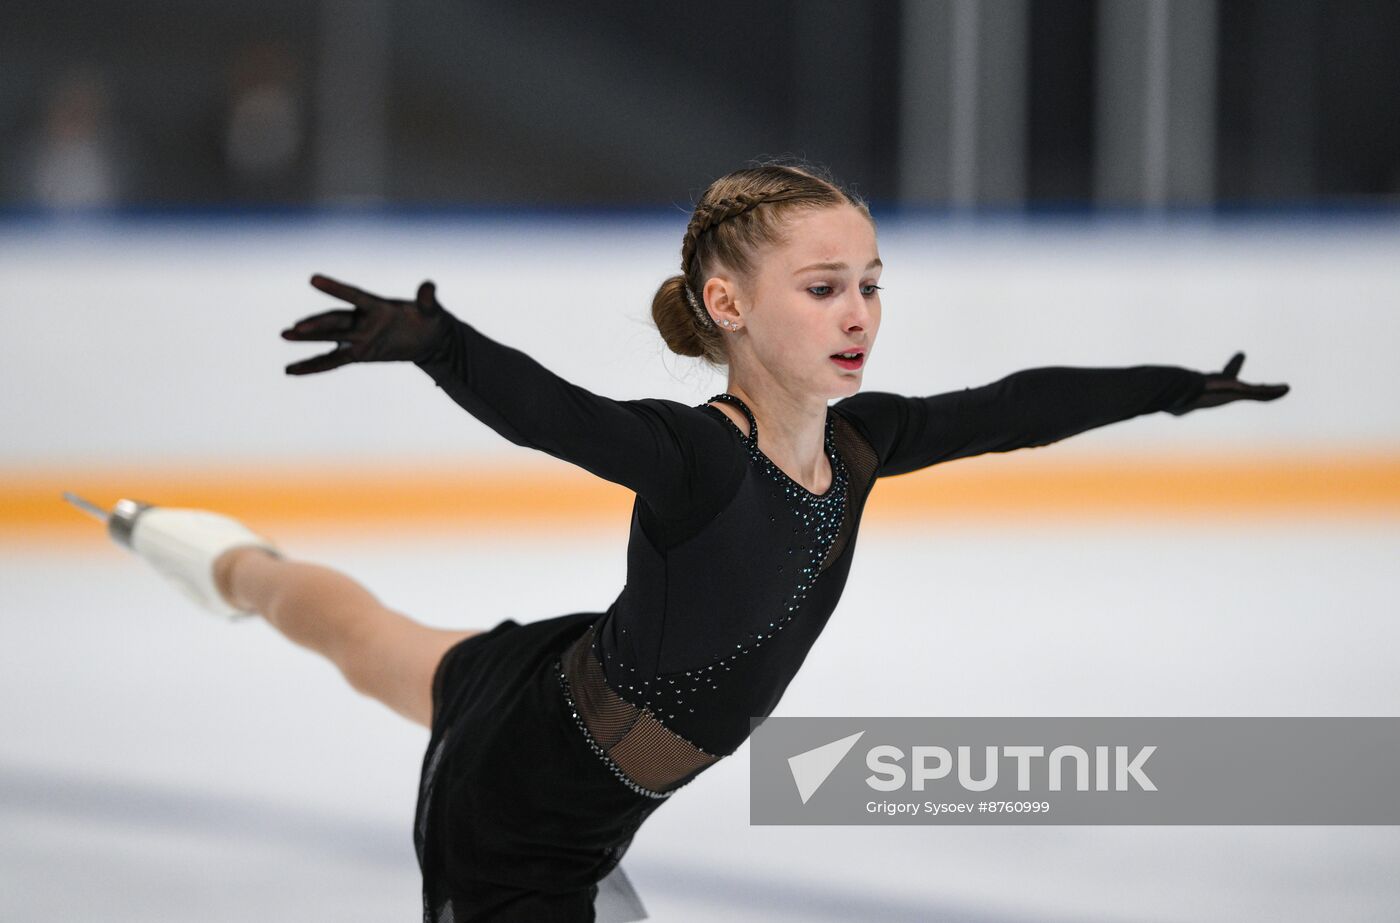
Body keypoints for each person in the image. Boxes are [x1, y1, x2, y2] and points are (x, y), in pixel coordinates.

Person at [134, 160, 1289, 921]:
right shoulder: (697, 457)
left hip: (554, 677)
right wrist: (444, 344)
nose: (858, 315)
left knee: (358, 630)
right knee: (362, 639)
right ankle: (224, 561)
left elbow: (1012, 407)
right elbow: (559, 415)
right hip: (526, 822)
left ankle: (225, 560)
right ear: (727, 305)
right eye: (824, 286)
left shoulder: (864, 443)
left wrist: (1172, 388)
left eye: (871, 285)